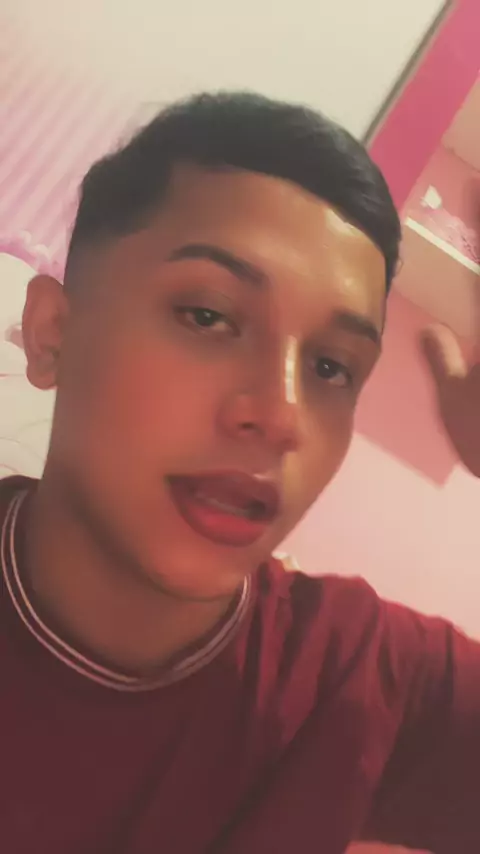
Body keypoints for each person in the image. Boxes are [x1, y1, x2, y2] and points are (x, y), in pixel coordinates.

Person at [1, 91, 480, 854]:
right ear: (52, 332)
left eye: (331, 367)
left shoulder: (356, 674)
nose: (283, 414)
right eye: (208, 316)